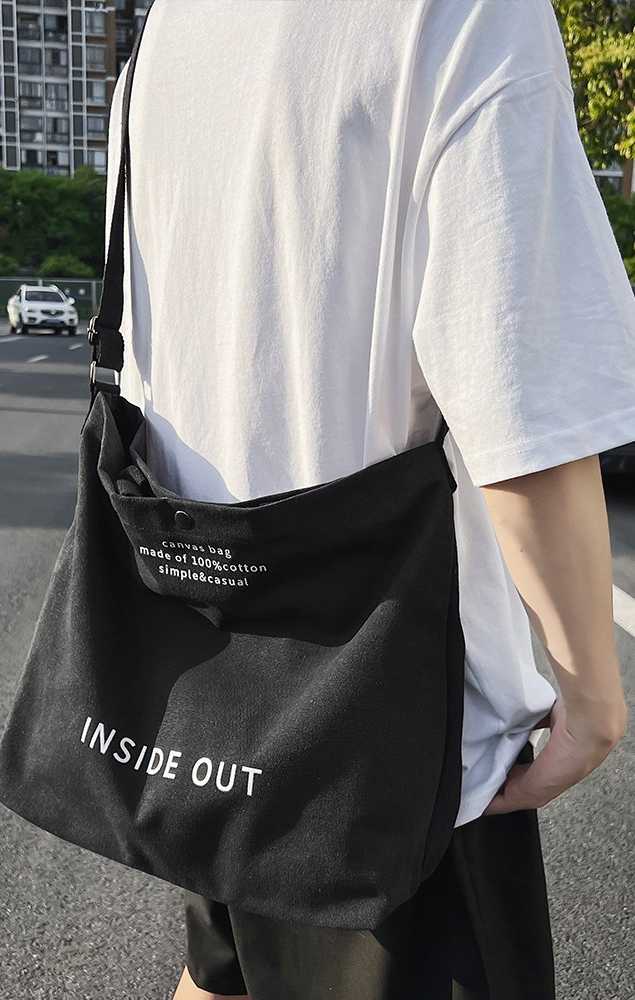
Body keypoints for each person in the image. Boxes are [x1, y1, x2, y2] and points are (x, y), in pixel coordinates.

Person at [103, 2, 633, 997]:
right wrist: (592, 698)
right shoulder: (468, 15)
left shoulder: (171, 25)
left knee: (219, 976)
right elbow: (517, 383)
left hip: (214, 680)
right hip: (397, 727)